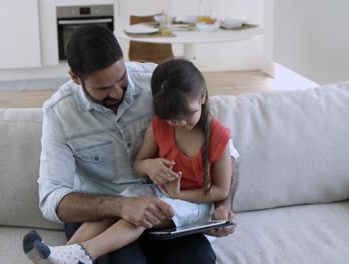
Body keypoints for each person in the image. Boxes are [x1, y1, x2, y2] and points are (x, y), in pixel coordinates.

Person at [23, 25, 239, 264]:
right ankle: (63, 255)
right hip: (101, 208)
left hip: (164, 202)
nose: (117, 92)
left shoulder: (160, 84)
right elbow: (52, 197)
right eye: (103, 88)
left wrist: (223, 206)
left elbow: (226, 152)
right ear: (75, 78)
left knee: (197, 259)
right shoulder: (59, 114)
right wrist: (122, 206)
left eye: (121, 79)